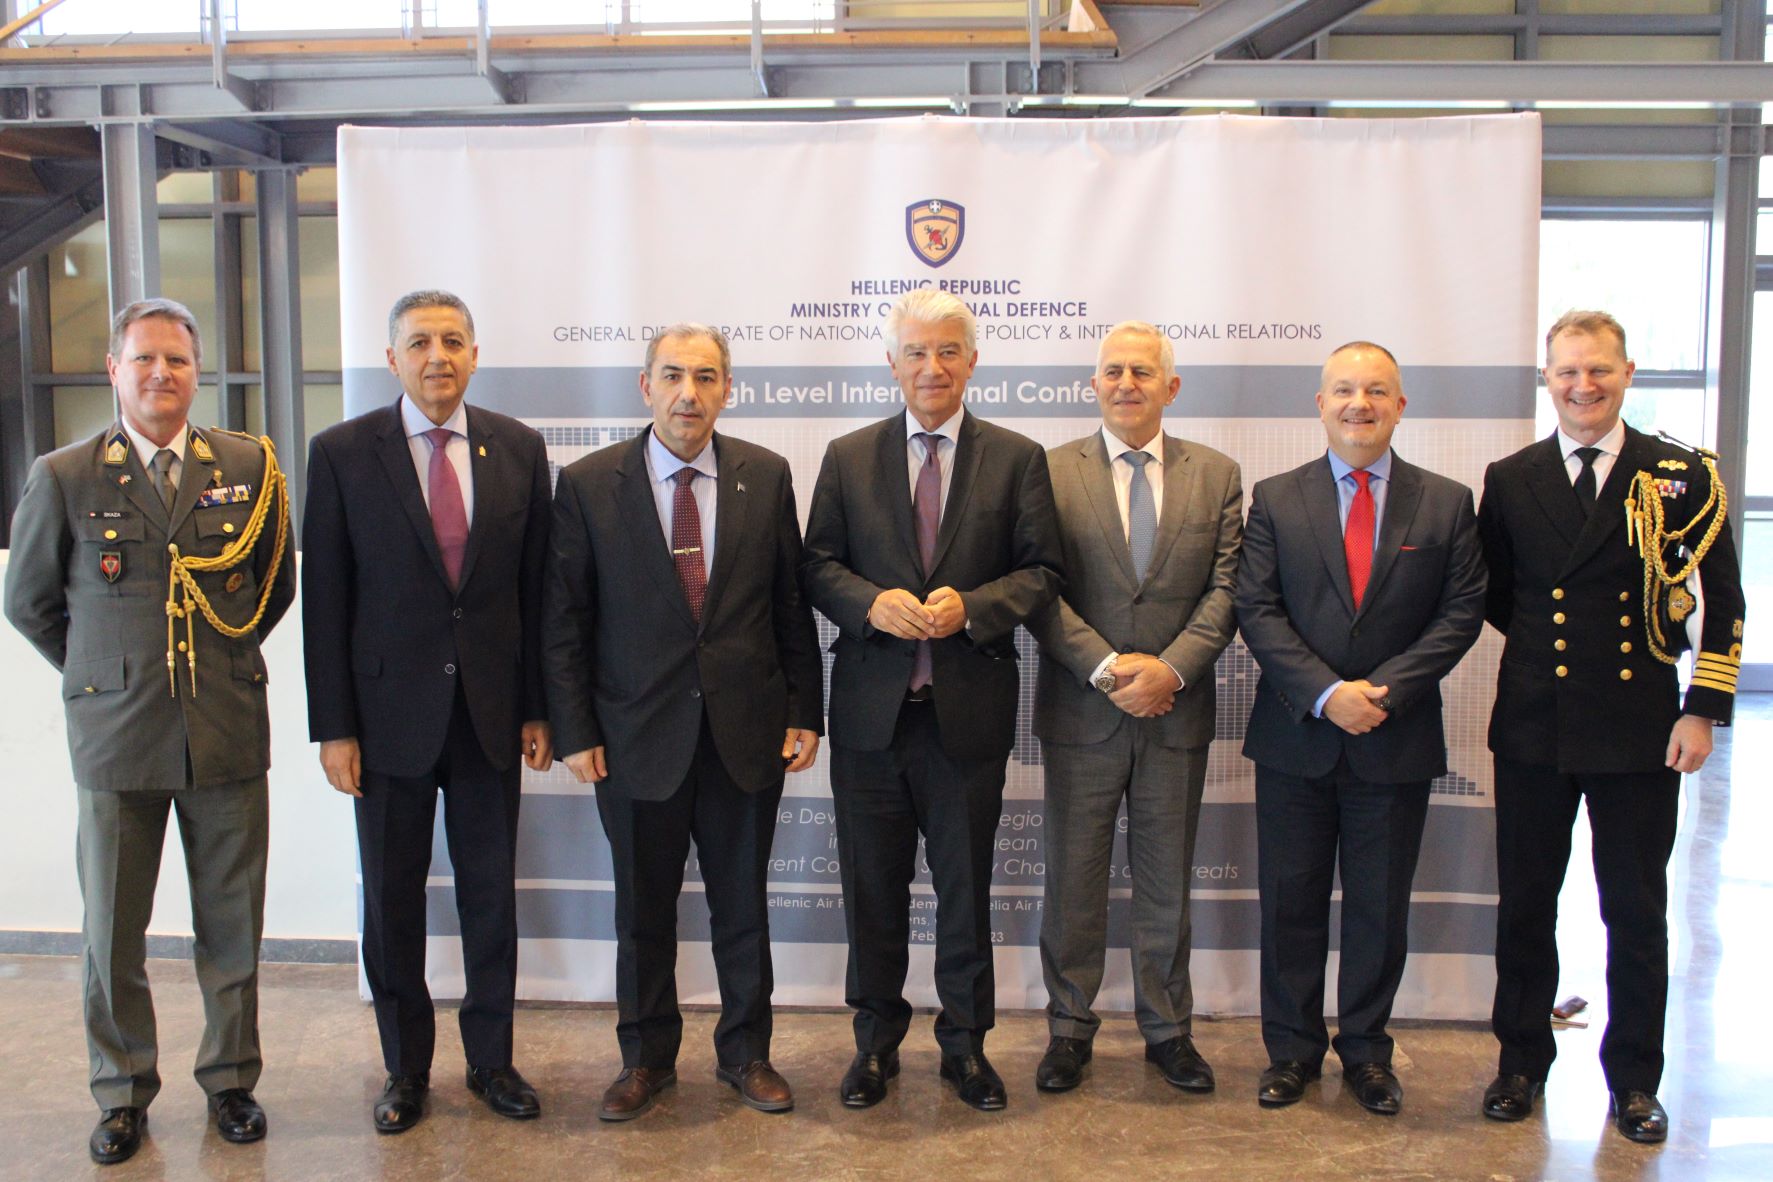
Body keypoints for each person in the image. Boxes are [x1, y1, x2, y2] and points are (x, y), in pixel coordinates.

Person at [4, 297, 296, 1165]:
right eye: (144, 359)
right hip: (116, 737)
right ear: (114, 369)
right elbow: (30, 601)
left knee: (232, 924)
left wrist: (218, 658)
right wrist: (104, 672)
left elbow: (270, 586)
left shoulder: (246, 465)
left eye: (176, 359)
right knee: (112, 931)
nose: (161, 373)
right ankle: (122, 1090)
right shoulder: (65, 474)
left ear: (196, 372)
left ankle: (231, 1080)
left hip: (225, 727)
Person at [543, 324, 823, 1121]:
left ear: (727, 389)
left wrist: (804, 709)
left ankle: (747, 1055)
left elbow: (789, 604)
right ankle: (645, 1061)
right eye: (672, 376)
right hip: (633, 739)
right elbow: (564, 621)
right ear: (646, 387)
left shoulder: (765, 476)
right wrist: (575, 730)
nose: (688, 394)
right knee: (642, 913)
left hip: (745, 735)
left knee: (742, 909)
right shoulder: (589, 484)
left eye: (705, 377)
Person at [1477, 310, 1744, 1145]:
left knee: (1634, 910)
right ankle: (1520, 1064)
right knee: (1525, 906)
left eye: (1597, 370)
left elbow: (1722, 601)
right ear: (1546, 380)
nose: (1582, 386)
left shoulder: (1677, 474)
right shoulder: (1511, 476)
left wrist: (1701, 708)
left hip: (1640, 727)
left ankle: (1633, 1080)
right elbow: (1499, 595)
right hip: (1534, 724)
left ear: (1627, 373)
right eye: (1566, 371)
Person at [802, 289, 1062, 1112]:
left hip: (966, 720)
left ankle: (966, 1047)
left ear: (972, 362)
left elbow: (1041, 572)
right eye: (915, 351)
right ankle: (874, 1046)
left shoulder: (1016, 458)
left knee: (964, 892)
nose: (931, 366)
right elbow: (815, 565)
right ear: (892, 363)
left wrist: (974, 608)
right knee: (871, 893)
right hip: (871, 720)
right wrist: (868, 604)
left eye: (947, 351)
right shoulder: (847, 456)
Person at [301, 289, 553, 1133]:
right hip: (383, 723)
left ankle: (492, 1062)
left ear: (475, 354)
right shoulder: (341, 452)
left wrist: (538, 708)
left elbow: (536, 591)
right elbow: (326, 599)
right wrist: (334, 727)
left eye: (452, 341)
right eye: (418, 343)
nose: (436, 356)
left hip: (489, 714)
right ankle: (405, 1069)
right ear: (392, 359)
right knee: (392, 901)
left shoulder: (519, 448)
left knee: (490, 899)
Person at [1234, 340, 1485, 1117]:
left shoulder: (1445, 502)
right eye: (1343, 389)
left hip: (1393, 737)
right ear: (1320, 404)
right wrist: (1323, 693)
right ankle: (1290, 1052)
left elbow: (1460, 612)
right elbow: (1256, 607)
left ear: (1399, 406)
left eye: (1376, 390)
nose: (1359, 403)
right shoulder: (1275, 498)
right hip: (1295, 737)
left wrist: (1383, 692)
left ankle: (1368, 1054)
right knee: (1291, 903)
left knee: (1378, 909)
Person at [1026, 321, 1242, 1095]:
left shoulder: (1215, 474)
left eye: (1142, 372)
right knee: (1072, 880)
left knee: (1165, 881)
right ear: (1094, 383)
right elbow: (1037, 586)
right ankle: (1068, 1028)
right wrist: (1107, 667)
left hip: (1174, 712)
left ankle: (1168, 1031)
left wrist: (1171, 670)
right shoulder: (1049, 472)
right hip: (1082, 710)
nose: (1126, 384)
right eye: (1113, 370)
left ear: (1169, 387)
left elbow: (1228, 588)